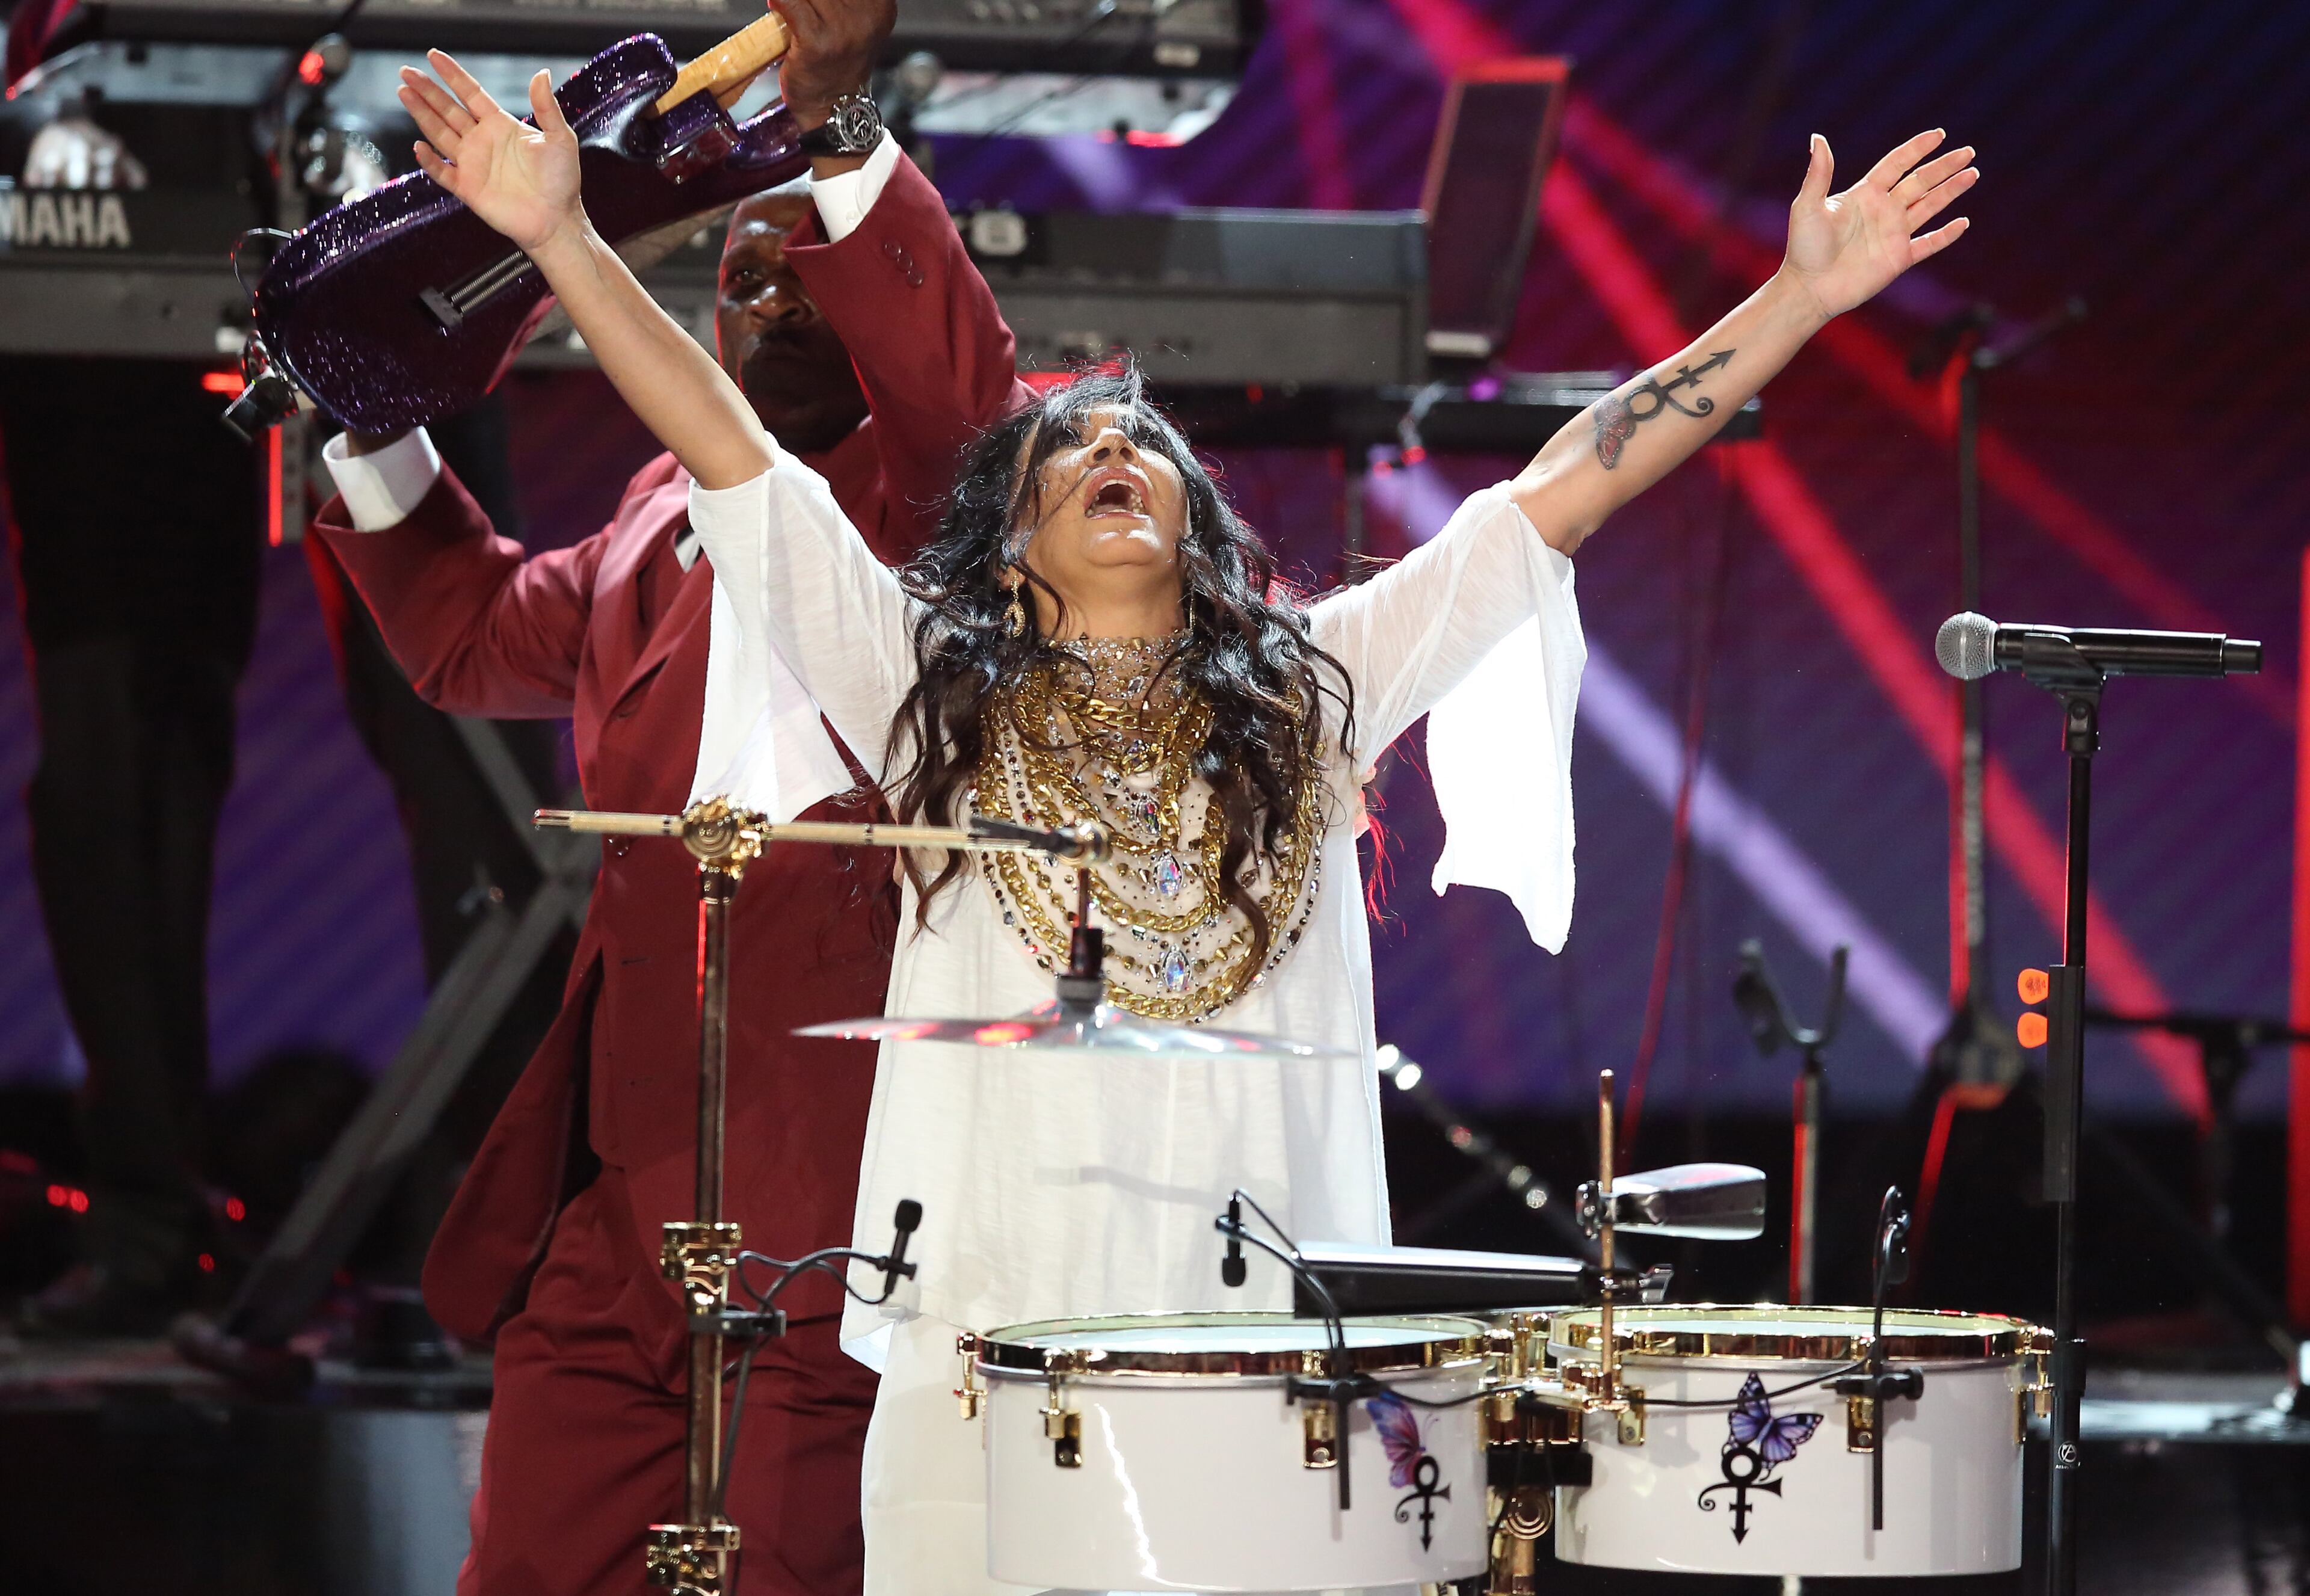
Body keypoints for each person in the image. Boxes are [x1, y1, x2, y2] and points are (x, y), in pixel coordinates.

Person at [399, 48, 1976, 1592]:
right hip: (984, 1355)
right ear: (1008, 547)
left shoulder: (1318, 692)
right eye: (1070, 440)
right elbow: (732, 456)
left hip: (1262, 1364)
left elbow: (1574, 478)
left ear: (1199, 528)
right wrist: (559, 235)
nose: (1108, 442)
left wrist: (1800, 302)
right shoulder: (927, 696)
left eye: (1143, 440)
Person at [312, 4, 1033, 1589]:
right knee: (534, 1560)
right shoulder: (657, 522)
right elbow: (470, 635)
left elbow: (955, 382)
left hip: (840, 1172)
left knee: (786, 1561)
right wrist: (366, 410)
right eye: (739, 275)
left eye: (800, 272)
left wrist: (835, 127)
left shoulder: (942, 512)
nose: (763, 291)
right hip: (628, 1172)